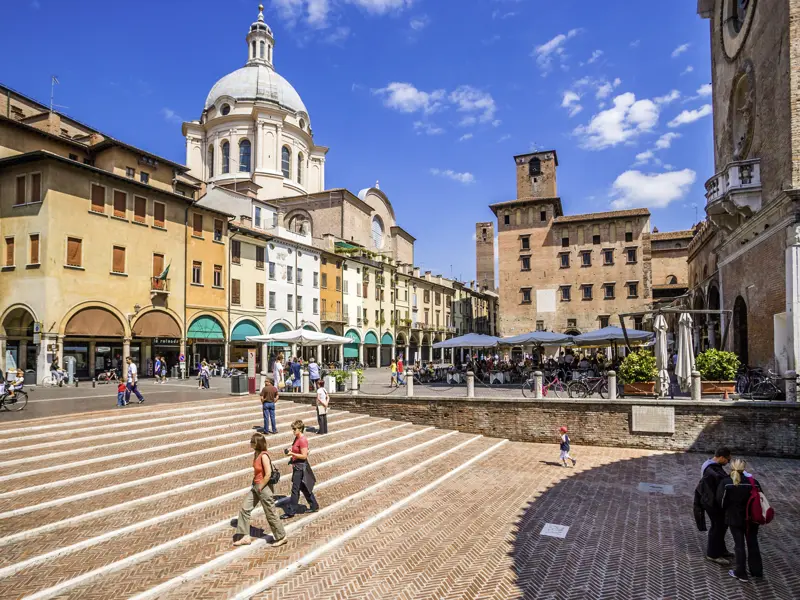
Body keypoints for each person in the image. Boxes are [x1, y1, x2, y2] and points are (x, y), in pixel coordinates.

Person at [233, 433, 288, 547]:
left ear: (257, 443)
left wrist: (260, 487)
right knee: (244, 508)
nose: (250, 443)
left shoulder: (264, 456)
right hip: (256, 486)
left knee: (270, 513)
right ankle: (245, 536)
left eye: (252, 442)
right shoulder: (256, 453)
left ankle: (281, 537)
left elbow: (268, 474)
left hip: (264, 488)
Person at [717, 459, 764, 582]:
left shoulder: (726, 483)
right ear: (744, 469)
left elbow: (721, 502)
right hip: (752, 519)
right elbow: (761, 500)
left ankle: (741, 572)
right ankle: (757, 571)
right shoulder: (754, 483)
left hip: (734, 519)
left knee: (739, 545)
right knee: (753, 543)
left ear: (731, 468)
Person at [693, 447, 733, 565]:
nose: (728, 462)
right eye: (728, 460)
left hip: (708, 500)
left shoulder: (708, 464)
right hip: (711, 503)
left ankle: (721, 549)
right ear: (721, 458)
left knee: (721, 526)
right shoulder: (713, 472)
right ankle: (713, 554)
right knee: (718, 526)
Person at [281, 420, 320, 519]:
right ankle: (314, 505)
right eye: (292, 429)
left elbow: (304, 456)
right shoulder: (297, 438)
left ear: (300, 429)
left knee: (295, 489)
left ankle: (291, 511)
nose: (293, 431)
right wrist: (291, 452)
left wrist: (292, 454)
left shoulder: (302, 440)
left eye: (295, 429)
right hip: (297, 466)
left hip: (300, 468)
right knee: (303, 487)